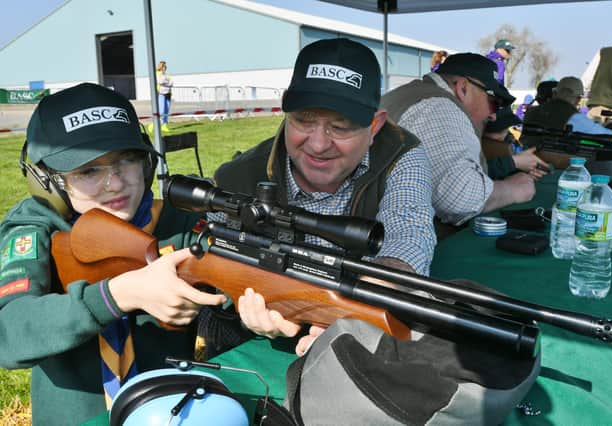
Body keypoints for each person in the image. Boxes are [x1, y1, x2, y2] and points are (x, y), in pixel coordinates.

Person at [0, 83, 226, 425]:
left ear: (147, 162)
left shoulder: (178, 221)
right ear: (46, 181)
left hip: (173, 415)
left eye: (127, 160)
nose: (116, 183)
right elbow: (10, 332)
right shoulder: (36, 227)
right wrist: (117, 295)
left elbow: (233, 297)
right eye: (89, 171)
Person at [208, 38, 435, 355]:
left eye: (340, 127)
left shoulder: (400, 153)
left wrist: (359, 306)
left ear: (375, 126)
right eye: (303, 120)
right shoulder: (237, 178)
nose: (317, 144)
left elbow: (409, 233)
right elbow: (211, 268)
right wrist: (244, 301)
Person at [380, 52, 535, 237]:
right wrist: (513, 190)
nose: (493, 115)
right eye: (493, 103)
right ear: (463, 88)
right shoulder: (440, 108)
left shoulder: (412, 95)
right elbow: (459, 200)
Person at [523, 76, 612, 143]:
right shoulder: (573, 117)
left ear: (555, 92)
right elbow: (609, 137)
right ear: (578, 99)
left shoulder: (531, 112)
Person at [483, 108, 550, 180]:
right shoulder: (474, 148)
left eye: (506, 129)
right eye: (498, 131)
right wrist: (513, 162)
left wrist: (523, 168)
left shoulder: (510, 140)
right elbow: (477, 174)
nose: (502, 137)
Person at [156, 60, 173, 132]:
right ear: (161, 67)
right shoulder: (157, 74)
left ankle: (164, 125)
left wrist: (166, 82)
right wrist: (167, 82)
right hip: (161, 93)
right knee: (162, 110)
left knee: (166, 110)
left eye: (165, 66)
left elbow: (171, 83)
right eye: (164, 66)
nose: (165, 67)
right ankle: (156, 124)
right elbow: (160, 82)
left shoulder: (166, 75)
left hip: (168, 93)